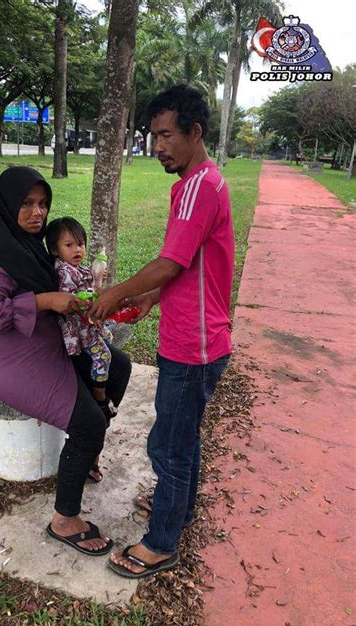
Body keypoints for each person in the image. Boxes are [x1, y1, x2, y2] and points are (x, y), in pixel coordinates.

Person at [88, 84, 234, 577]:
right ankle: (181, 509)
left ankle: (161, 543)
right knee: (183, 438)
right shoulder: (203, 182)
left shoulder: (198, 187)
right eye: (153, 135)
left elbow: (172, 261)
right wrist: (150, 296)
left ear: (194, 133)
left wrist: (112, 295)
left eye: (167, 135)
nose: (157, 146)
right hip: (201, 335)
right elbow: (189, 266)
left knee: (168, 446)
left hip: (193, 344)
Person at [0, 166, 131, 555]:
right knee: (88, 422)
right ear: (7, 204)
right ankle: (65, 519)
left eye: (42, 204)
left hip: (38, 334)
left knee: (118, 366)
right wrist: (45, 301)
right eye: (27, 203)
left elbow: (60, 283)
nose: (38, 213)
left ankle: (85, 453)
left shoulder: (27, 242)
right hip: (1, 352)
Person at [45, 216, 116, 483]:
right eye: (69, 244)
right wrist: (91, 295)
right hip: (77, 327)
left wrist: (97, 280)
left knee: (107, 349)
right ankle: (100, 399)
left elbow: (91, 290)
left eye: (81, 244)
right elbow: (74, 298)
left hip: (87, 323)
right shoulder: (62, 272)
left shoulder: (76, 268)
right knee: (104, 355)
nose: (78, 250)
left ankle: (93, 457)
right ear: (55, 250)